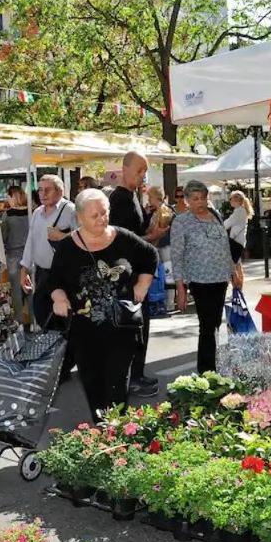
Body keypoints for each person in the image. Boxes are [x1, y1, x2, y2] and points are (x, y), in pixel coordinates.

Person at [49, 189, 158, 422]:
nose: (102, 219)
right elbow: (53, 280)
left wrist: (143, 284)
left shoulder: (124, 238)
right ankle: (104, 435)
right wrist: (60, 298)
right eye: (94, 215)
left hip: (122, 329)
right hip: (84, 333)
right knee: (94, 387)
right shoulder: (67, 248)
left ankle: (117, 435)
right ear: (79, 218)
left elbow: (150, 254)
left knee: (117, 387)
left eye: (104, 212)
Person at [171, 180, 244, 373]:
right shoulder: (181, 222)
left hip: (220, 278)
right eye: (195, 198)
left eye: (203, 197)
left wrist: (233, 271)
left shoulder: (215, 215)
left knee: (214, 324)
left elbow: (225, 246)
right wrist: (180, 288)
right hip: (199, 280)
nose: (200, 202)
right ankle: (207, 370)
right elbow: (176, 256)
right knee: (207, 325)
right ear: (186, 200)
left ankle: (213, 366)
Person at [108, 151, 164, 396]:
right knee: (134, 327)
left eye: (145, 171)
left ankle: (136, 375)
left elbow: (136, 230)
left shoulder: (131, 197)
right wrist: (148, 239)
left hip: (138, 272)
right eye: (139, 170)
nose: (143, 176)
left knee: (140, 326)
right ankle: (130, 378)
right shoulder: (119, 199)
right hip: (127, 276)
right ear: (125, 168)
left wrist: (151, 219)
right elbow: (123, 237)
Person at [19, 175, 77, 329]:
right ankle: (50, 351)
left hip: (63, 274)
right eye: (40, 190)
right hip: (42, 274)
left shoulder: (70, 210)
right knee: (42, 314)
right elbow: (30, 241)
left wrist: (62, 236)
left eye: (48, 190)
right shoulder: (37, 212)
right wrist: (24, 269)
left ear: (60, 191)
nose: (43, 194)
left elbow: (82, 236)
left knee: (64, 319)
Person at [0, 185, 31, 324]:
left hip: (13, 254)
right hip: (30, 254)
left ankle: (19, 321)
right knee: (31, 288)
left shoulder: (8, 215)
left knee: (16, 290)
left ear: (14, 197)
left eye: (9, 196)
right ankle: (33, 320)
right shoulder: (32, 213)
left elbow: (4, 236)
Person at [146, 185, 175, 263]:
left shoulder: (166, 211)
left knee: (167, 270)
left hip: (164, 247)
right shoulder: (153, 211)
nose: (148, 199)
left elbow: (163, 229)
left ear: (156, 197)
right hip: (157, 247)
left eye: (150, 197)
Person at [224, 190, 252, 255]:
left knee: (234, 262)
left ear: (236, 201)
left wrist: (218, 226)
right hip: (238, 240)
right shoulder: (240, 210)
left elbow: (227, 223)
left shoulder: (239, 212)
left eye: (230, 199)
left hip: (236, 241)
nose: (229, 201)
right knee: (237, 262)